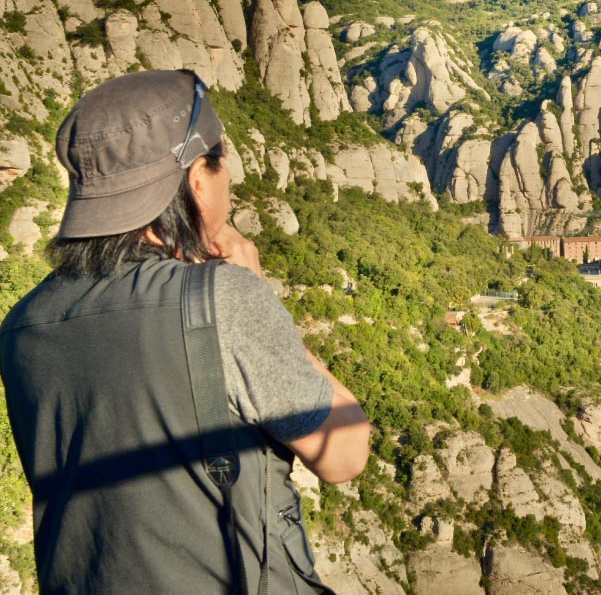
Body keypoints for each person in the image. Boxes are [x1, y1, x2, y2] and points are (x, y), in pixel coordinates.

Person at [0, 70, 369, 594]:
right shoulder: (225, 299)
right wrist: (258, 296)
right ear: (198, 178)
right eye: (223, 166)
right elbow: (346, 454)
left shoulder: (21, 324)